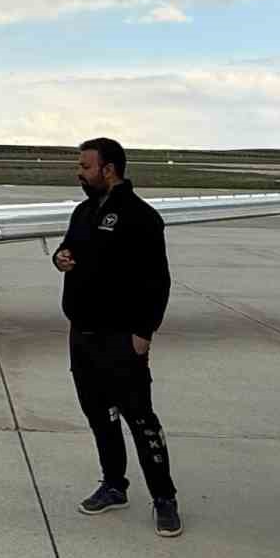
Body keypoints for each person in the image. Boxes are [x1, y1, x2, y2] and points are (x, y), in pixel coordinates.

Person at [52, 137, 181, 537]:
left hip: (121, 338)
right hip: (83, 335)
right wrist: (61, 258)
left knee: (140, 419)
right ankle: (114, 485)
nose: (79, 173)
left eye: (85, 166)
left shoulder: (141, 217)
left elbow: (158, 281)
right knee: (99, 415)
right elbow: (68, 248)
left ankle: (165, 498)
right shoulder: (83, 211)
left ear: (108, 170)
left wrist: (144, 333)